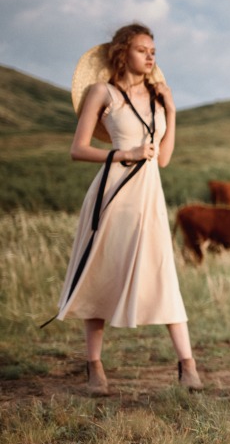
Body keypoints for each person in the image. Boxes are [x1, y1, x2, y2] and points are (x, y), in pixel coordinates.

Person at [55, 22, 203, 395]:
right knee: (99, 272)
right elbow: (78, 149)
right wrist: (126, 153)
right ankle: (94, 367)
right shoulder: (101, 93)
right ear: (122, 53)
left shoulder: (157, 98)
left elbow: (164, 159)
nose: (151, 56)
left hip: (149, 199)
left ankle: (188, 365)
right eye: (142, 49)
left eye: (153, 50)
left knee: (163, 275)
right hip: (113, 196)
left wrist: (171, 109)